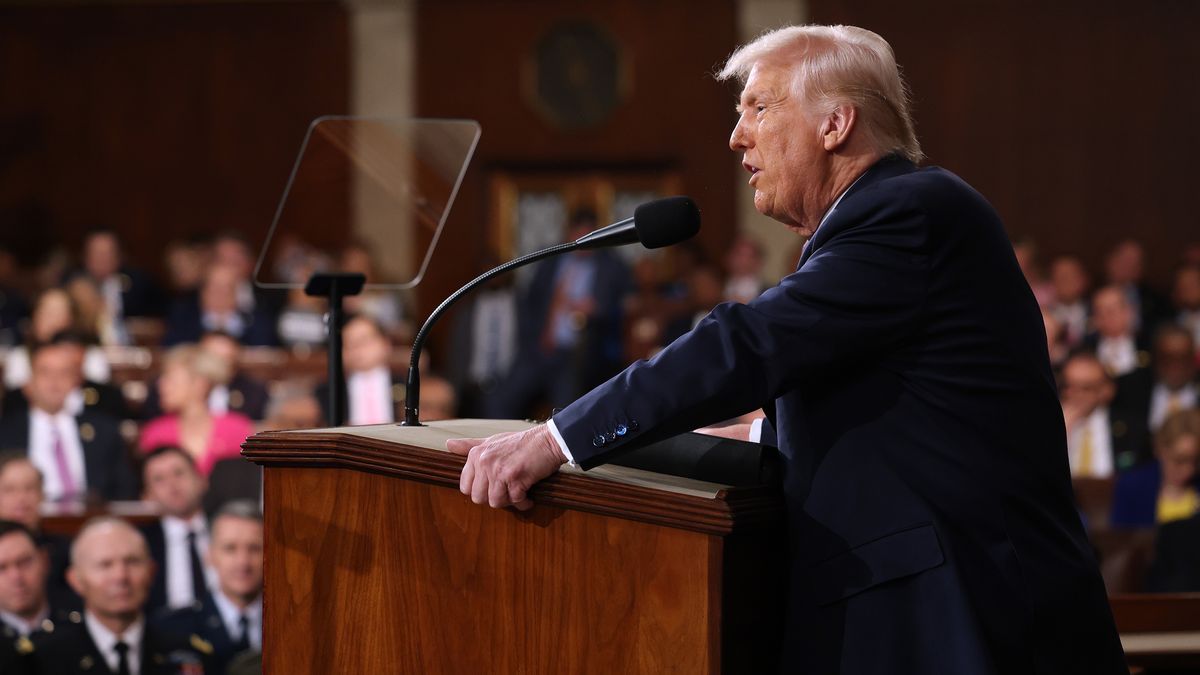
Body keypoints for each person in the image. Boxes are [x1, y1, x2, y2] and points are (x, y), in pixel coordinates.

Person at [446, 25, 1125, 673]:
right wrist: (744, 429)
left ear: (835, 124)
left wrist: (557, 440)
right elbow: (875, 413)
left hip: (965, 623)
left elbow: (746, 343)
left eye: (758, 107)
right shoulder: (873, 233)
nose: (736, 135)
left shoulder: (912, 212)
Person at [29, 517, 209, 674]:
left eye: (132, 562)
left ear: (152, 572)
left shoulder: (187, 653)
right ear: (75, 580)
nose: (121, 576)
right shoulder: (42, 658)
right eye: (105, 565)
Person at [0, 339, 137, 502]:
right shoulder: (5, 432)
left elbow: (124, 490)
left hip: (90, 521)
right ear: (29, 382)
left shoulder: (104, 431)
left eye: (64, 373)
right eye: (45, 372)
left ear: (77, 381)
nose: (54, 381)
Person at [158, 500, 262, 674]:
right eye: (230, 548)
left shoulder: (293, 628)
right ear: (210, 555)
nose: (243, 562)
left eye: (255, 548)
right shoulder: (171, 630)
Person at [138, 345, 256, 477]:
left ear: (200, 384)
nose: (161, 384)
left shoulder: (237, 430)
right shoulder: (155, 433)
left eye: (170, 378)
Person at [138, 447, 212, 613]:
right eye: (159, 479)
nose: (172, 485)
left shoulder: (226, 530)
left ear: (202, 480)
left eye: (178, 473)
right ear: (147, 496)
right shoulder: (141, 544)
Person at [1060, 352, 1148, 476]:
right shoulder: (1049, 425)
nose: (1076, 394)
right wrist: (1059, 432)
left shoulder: (1130, 427)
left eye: (1086, 388)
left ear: (1106, 390)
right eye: (1068, 386)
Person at [2, 288, 110, 390]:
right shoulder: (19, 357)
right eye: (45, 312)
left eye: (58, 313)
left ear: (72, 320)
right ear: (34, 318)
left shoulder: (91, 357)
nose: (51, 321)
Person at [1110, 409, 1200, 528]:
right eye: (1179, 461)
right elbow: (1119, 541)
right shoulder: (1132, 487)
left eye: (1196, 462)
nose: (1188, 470)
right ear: (1161, 449)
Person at [162, 263, 278, 347]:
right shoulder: (183, 319)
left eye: (227, 288)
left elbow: (265, 355)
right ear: (202, 292)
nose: (220, 295)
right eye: (214, 288)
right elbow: (171, 351)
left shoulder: (259, 323)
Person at [315, 315, 401, 425]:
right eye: (349, 344)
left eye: (364, 340)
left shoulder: (408, 385)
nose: (357, 348)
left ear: (385, 343)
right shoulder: (328, 391)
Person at [1086, 284, 1150, 378]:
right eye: (1101, 310)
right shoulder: (1086, 350)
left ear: (1129, 311)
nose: (1108, 315)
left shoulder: (1148, 345)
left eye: (1114, 309)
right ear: (1094, 317)